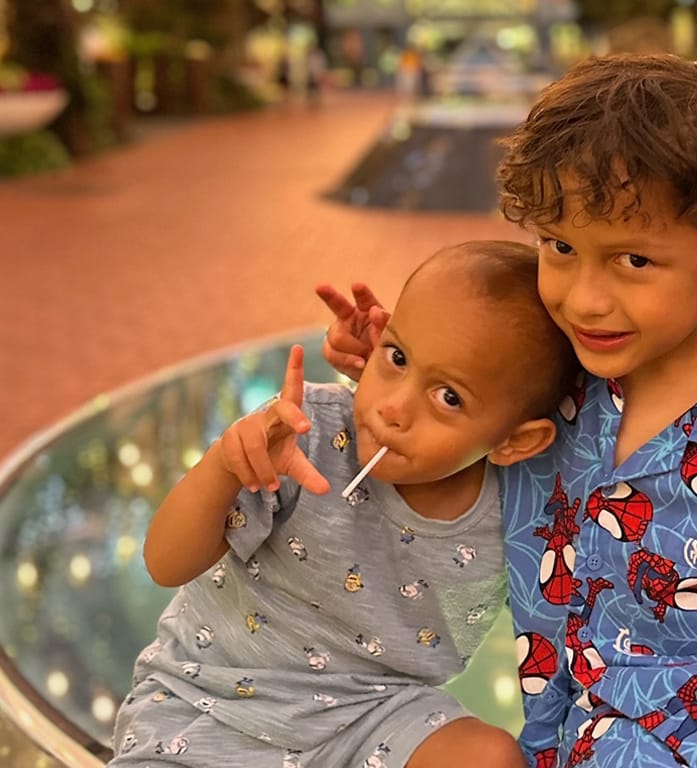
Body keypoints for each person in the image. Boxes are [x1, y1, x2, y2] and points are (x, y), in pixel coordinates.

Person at [319, 54, 697, 768]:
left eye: (633, 261)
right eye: (560, 247)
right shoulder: (553, 368)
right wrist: (404, 369)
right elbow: (457, 420)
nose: (584, 298)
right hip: (589, 739)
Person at [108, 240, 579, 768]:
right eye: (397, 357)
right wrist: (225, 464)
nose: (393, 408)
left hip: (376, 715)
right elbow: (164, 562)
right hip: (212, 700)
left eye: (448, 396)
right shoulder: (300, 433)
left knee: (486, 756)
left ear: (515, 441)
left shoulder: (519, 507)